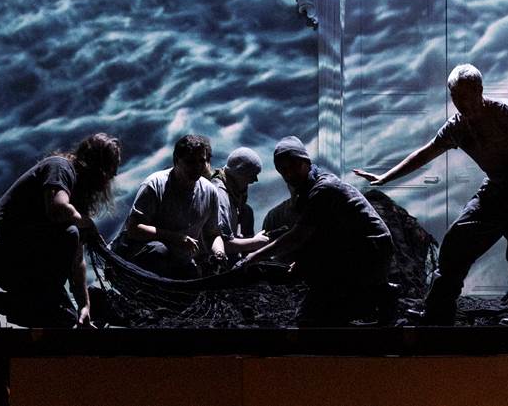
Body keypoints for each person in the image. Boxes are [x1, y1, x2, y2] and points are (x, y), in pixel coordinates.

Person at [353, 63, 508, 325]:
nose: (462, 103)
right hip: (497, 188)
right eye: (456, 97)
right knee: (456, 242)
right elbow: (425, 153)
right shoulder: (457, 128)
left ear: (480, 91)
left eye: (467, 95)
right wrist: (386, 177)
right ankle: (438, 312)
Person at [0, 132, 122, 327]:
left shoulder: (77, 198)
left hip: (27, 257)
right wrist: (87, 222)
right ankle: (44, 299)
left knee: (64, 320)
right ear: (97, 167)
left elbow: (77, 259)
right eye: (109, 173)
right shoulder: (59, 167)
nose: (109, 180)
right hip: (1, 253)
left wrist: (84, 306)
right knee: (71, 233)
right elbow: (57, 208)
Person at [239, 136, 394, 326]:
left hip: (370, 250)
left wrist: (253, 257)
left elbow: (298, 236)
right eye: (283, 170)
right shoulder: (308, 191)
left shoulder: (323, 189)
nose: (289, 174)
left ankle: (379, 294)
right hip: (351, 248)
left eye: (293, 166)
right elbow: (321, 233)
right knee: (316, 314)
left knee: (315, 319)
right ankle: (375, 295)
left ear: (306, 162)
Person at [111, 134, 223, 278]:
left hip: (180, 261)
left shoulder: (210, 191)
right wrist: (175, 238)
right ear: (176, 160)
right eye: (190, 162)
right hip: (137, 259)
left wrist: (219, 252)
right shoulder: (154, 185)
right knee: (159, 250)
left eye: (202, 161)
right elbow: (133, 229)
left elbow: (213, 234)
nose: (197, 167)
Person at [209, 147, 270, 259]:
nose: (255, 180)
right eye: (251, 175)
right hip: (218, 260)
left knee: (247, 211)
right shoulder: (220, 196)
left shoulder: (235, 193)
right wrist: (255, 242)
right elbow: (224, 244)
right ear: (239, 173)